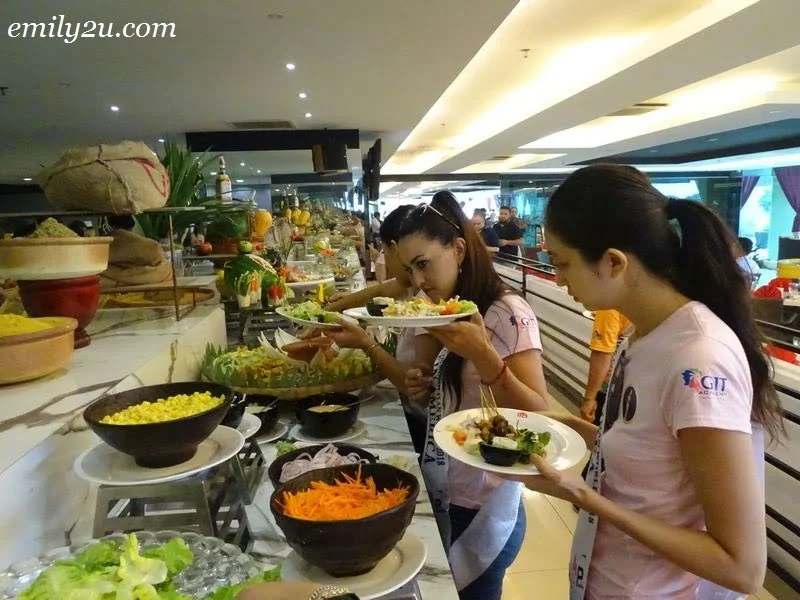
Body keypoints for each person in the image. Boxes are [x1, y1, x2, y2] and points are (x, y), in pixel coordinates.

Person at [512, 164, 782, 599]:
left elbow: (742, 566)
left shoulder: (699, 360)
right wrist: (549, 429)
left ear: (614, 262)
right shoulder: (642, 333)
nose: (558, 279)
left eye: (562, 263)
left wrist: (586, 497)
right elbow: (645, 451)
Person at [396, 191, 549, 600]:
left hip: (485, 503)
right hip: (452, 486)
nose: (418, 282)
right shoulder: (455, 309)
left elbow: (540, 414)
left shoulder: (507, 312)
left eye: (424, 264)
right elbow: (468, 394)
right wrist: (429, 386)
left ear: (459, 249)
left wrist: (482, 354)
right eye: (410, 269)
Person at [580, 310, 632, 424]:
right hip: (635, 388)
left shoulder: (609, 309)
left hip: (611, 387)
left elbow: (602, 354)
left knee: (598, 434)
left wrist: (589, 398)